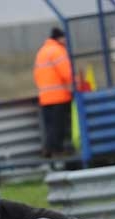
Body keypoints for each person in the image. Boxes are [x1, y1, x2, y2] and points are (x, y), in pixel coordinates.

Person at [34, 27, 74, 158]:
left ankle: (48, 149)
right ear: (59, 38)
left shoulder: (42, 52)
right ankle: (55, 149)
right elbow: (66, 73)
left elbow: (36, 75)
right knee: (59, 125)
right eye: (64, 38)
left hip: (45, 97)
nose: (66, 41)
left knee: (51, 126)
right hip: (59, 96)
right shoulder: (58, 51)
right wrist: (76, 83)